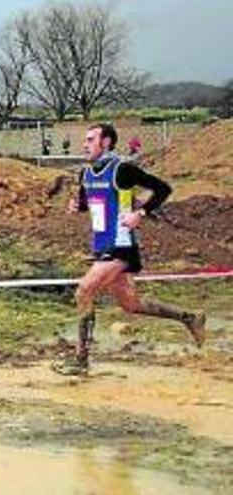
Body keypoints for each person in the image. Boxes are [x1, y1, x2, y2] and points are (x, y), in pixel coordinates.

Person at [54, 123, 206, 376]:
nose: (85, 144)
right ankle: (189, 317)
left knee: (84, 291)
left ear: (106, 143)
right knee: (131, 304)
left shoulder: (122, 170)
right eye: (85, 140)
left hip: (121, 245)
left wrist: (141, 213)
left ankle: (81, 360)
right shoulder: (86, 173)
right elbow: (88, 203)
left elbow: (163, 189)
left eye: (91, 139)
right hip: (102, 244)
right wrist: (76, 206)